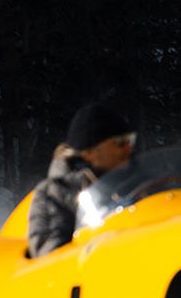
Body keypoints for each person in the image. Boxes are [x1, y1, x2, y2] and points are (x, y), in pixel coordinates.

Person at [26, 102, 137, 258]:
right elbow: (50, 260)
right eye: (120, 142)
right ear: (89, 152)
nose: (128, 148)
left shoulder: (139, 184)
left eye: (130, 140)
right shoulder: (55, 193)